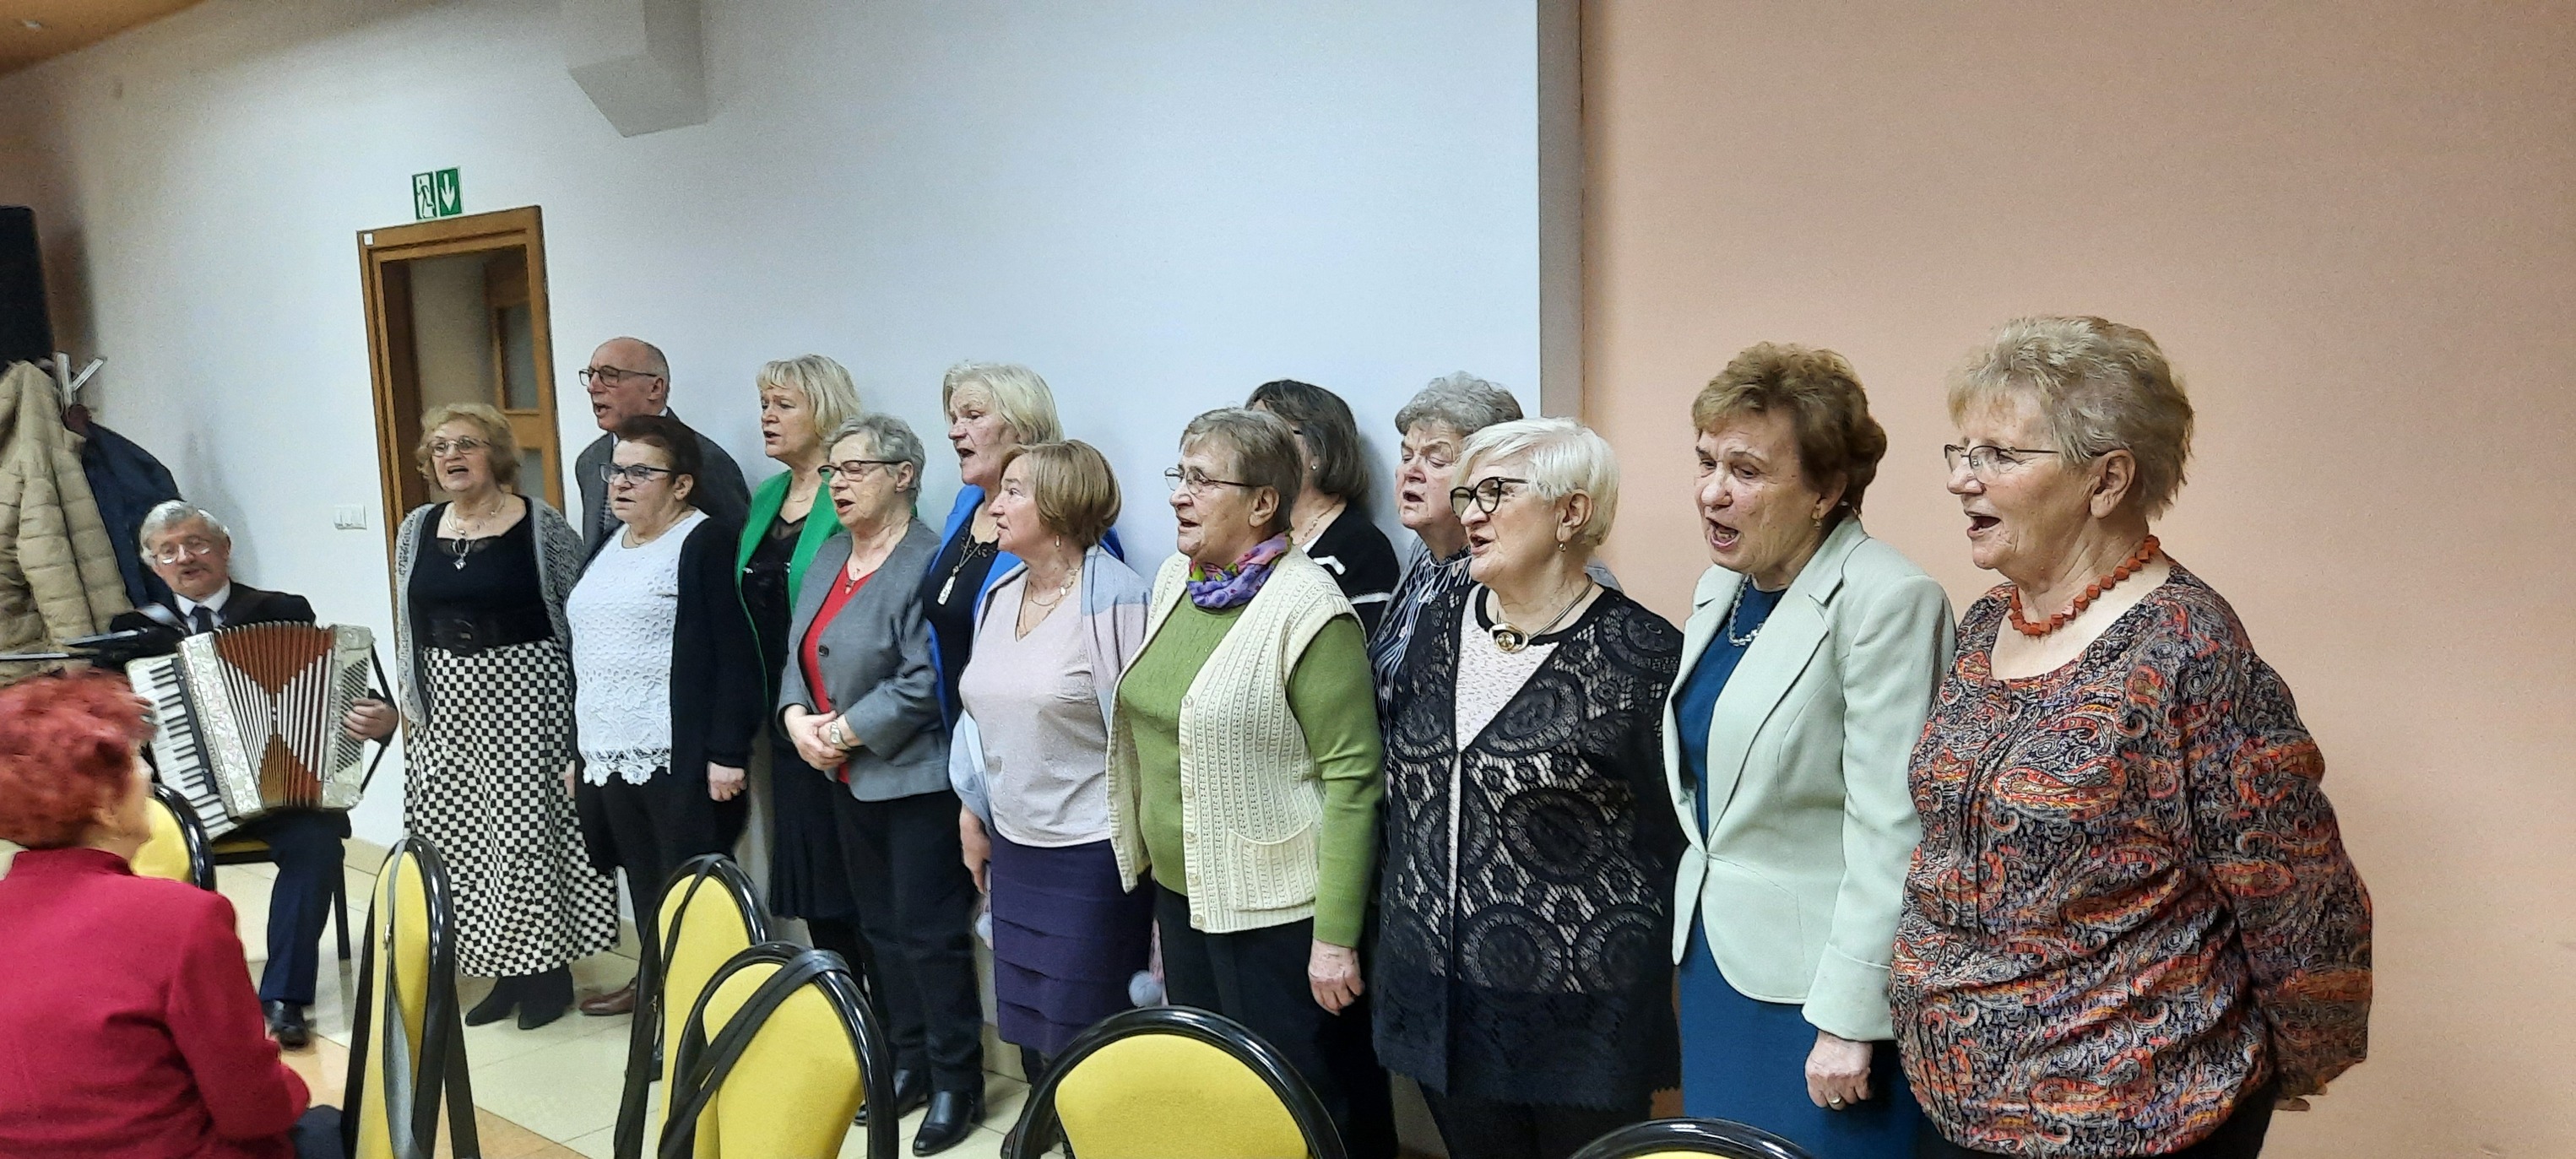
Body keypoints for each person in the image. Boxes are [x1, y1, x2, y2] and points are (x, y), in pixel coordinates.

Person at [1893, 317, 2373, 1159]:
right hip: (1954, 1110)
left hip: (2132, 1119)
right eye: (1961, 451)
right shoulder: (1985, 625)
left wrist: (2292, 1060)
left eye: (1998, 454)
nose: (1961, 479)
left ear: (2107, 478)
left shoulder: (2187, 651)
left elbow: (2301, 900)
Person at [1662, 345, 1953, 1159]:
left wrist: (1851, 1018)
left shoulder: (1888, 599)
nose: (1713, 491)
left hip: (1820, 992)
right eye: (1706, 462)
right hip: (1720, 967)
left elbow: (1895, 829)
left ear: (1826, 490)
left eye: (1746, 470)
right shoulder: (1722, 586)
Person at [1371, 417, 1683, 1159]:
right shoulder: (1438, 623)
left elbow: (1674, 832)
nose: (1470, 513)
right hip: (1435, 993)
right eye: (1467, 495)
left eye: (1495, 493)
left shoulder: (1641, 654)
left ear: (1571, 512)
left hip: (1575, 1011)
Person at [1107, 407, 1384, 1145]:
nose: (1179, 494)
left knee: (1295, 1100)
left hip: (1275, 911)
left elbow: (1354, 781)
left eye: (1202, 480)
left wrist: (1334, 939)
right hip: (1184, 894)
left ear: (1263, 502)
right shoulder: (1178, 579)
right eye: (1180, 474)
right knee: (1216, 1087)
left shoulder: (1309, 609)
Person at [0, 670, 344, 1159]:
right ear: (105, 806)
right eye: (136, 761)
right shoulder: (183, 918)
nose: (148, 777)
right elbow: (255, 1111)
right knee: (333, 1128)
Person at [104, 501, 399, 1050]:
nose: (184, 557)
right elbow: (101, 718)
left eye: (196, 543)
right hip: (182, 801)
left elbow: (333, 688)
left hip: (281, 794)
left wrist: (381, 717)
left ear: (224, 549)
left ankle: (284, 996)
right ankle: (176, 995)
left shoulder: (281, 609)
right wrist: (124, 723)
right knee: (144, 852)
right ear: (153, 565)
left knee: (316, 844)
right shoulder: (133, 631)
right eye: (168, 551)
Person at [778, 414, 985, 1156]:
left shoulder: (928, 557)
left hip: (913, 778)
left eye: (854, 469)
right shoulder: (832, 551)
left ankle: (958, 1079)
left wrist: (839, 732)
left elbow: (929, 676)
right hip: (841, 777)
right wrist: (795, 717)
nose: (838, 483)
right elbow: (798, 650)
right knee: (878, 929)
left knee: (928, 935)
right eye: (831, 470)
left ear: (903, 475)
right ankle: (906, 1061)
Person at [392, 403, 619, 1031]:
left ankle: (548, 975)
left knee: (526, 836)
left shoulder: (541, 525)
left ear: (495, 453)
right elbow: (409, 618)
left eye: (466, 444)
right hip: (447, 699)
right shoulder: (417, 528)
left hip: (527, 693)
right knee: (465, 838)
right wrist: (412, 698)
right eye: (440, 447)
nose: (452, 456)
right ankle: (503, 973)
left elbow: (579, 615)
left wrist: (584, 717)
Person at [951, 441, 1153, 1098]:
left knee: (1086, 1021)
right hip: (1014, 844)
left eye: (1014, 491)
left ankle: (1099, 1134)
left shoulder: (1117, 597)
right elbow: (975, 716)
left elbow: (1142, 736)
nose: (996, 505)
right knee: (1030, 1016)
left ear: (1062, 506)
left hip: (1090, 852)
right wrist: (971, 810)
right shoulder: (1000, 592)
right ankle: (1051, 1119)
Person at [568, 414, 762, 1023]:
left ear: (681, 484)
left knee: (694, 886)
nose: (620, 483)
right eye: (615, 470)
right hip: (608, 750)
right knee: (646, 881)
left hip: (677, 751)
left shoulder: (704, 541)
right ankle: (660, 999)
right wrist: (579, 753)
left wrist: (727, 750)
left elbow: (735, 652)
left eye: (639, 473)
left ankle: (715, 1012)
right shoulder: (609, 544)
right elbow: (589, 653)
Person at [1366, 373, 1617, 711]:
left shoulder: (1560, 577)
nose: (1411, 471)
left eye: (1436, 459)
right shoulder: (1423, 552)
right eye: (1407, 455)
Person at [735, 355, 871, 976]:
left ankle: (875, 1014)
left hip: (842, 716)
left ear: (825, 410)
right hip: (785, 713)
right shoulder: (767, 496)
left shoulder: (854, 494)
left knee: (854, 879)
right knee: (815, 881)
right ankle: (835, 1001)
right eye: (764, 404)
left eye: (784, 404)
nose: (767, 416)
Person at [1248, 379, 1400, 634]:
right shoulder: (1247, 529)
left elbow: (1362, 649)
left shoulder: (1362, 549)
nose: (1250, 446)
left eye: (1269, 431)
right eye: (1248, 431)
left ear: (1319, 451)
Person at [571, 337, 751, 548]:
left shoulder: (705, 460)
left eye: (610, 375)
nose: (593, 387)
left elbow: (737, 547)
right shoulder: (590, 460)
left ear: (655, 388)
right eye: (590, 375)